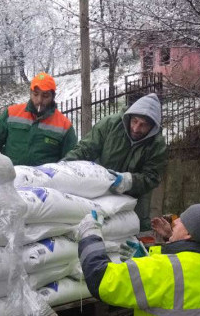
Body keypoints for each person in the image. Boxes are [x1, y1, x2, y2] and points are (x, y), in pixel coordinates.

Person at [63, 93, 167, 231]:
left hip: (135, 196)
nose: (136, 128)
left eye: (143, 125)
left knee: (135, 228)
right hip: (101, 187)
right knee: (95, 223)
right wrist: (64, 165)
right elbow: (86, 149)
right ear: (129, 117)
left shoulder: (157, 145)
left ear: (152, 127)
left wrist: (128, 181)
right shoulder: (110, 125)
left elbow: (152, 177)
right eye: (135, 121)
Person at [0, 72, 77, 166]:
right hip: (13, 173)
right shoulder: (12, 113)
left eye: (45, 96)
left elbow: (71, 160)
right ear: (30, 93)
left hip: (44, 176)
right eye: (35, 94)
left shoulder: (64, 125)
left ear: (53, 96)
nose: (39, 100)